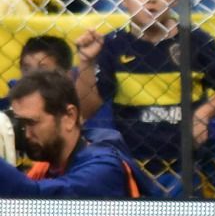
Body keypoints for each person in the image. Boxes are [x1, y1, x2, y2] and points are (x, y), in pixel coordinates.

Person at [74, 0, 215, 189]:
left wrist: (203, 114)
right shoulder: (113, 45)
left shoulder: (196, 41)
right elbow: (87, 109)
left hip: (189, 165)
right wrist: (85, 63)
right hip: (133, 164)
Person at [0, 70, 159, 198]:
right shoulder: (46, 168)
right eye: (21, 124)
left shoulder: (105, 168)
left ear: (69, 117)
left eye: (32, 123)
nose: (26, 134)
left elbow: (36, 200)